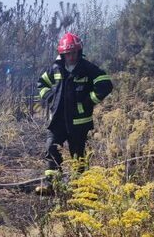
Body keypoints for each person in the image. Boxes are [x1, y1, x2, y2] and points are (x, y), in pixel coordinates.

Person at [35, 32, 113, 194]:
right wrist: (49, 97)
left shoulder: (87, 68)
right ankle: (51, 183)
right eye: (68, 53)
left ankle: (81, 187)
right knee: (51, 148)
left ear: (79, 51)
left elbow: (105, 84)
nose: (71, 56)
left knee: (78, 154)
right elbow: (42, 83)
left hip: (79, 121)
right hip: (57, 120)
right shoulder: (56, 69)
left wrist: (89, 100)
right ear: (62, 53)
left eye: (74, 53)